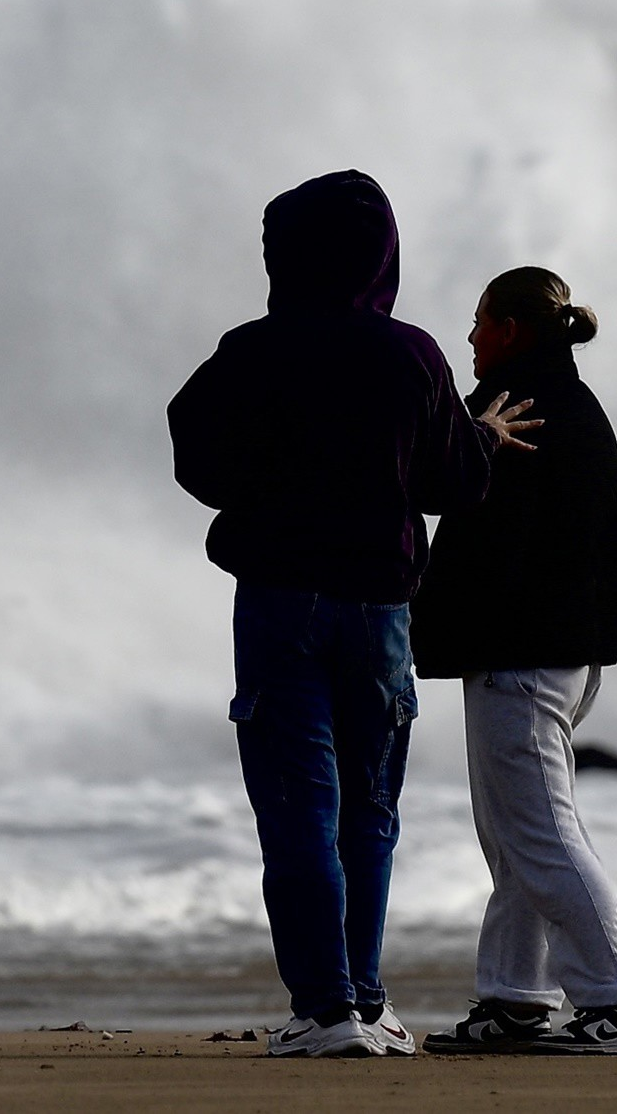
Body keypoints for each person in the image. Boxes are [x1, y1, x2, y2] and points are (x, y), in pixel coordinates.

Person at [169, 171, 524, 1058]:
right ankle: (367, 1003)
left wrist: (265, 488)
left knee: (299, 807)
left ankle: (325, 1009)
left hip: (283, 601)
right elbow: (455, 485)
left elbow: (195, 455)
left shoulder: (253, 348)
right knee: (368, 811)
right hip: (380, 611)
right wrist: (478, 435)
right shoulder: (412, 355)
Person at [412, 265, 617, 1056]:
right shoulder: (566, 400)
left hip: (523, 653)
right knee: (519, 833)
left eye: (480, 321)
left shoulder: (520, 406)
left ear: (511, 329)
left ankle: (616, 1003)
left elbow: (451, 498)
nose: (471, 337)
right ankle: (515, 997)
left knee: (539, 833)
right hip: (557, 652)